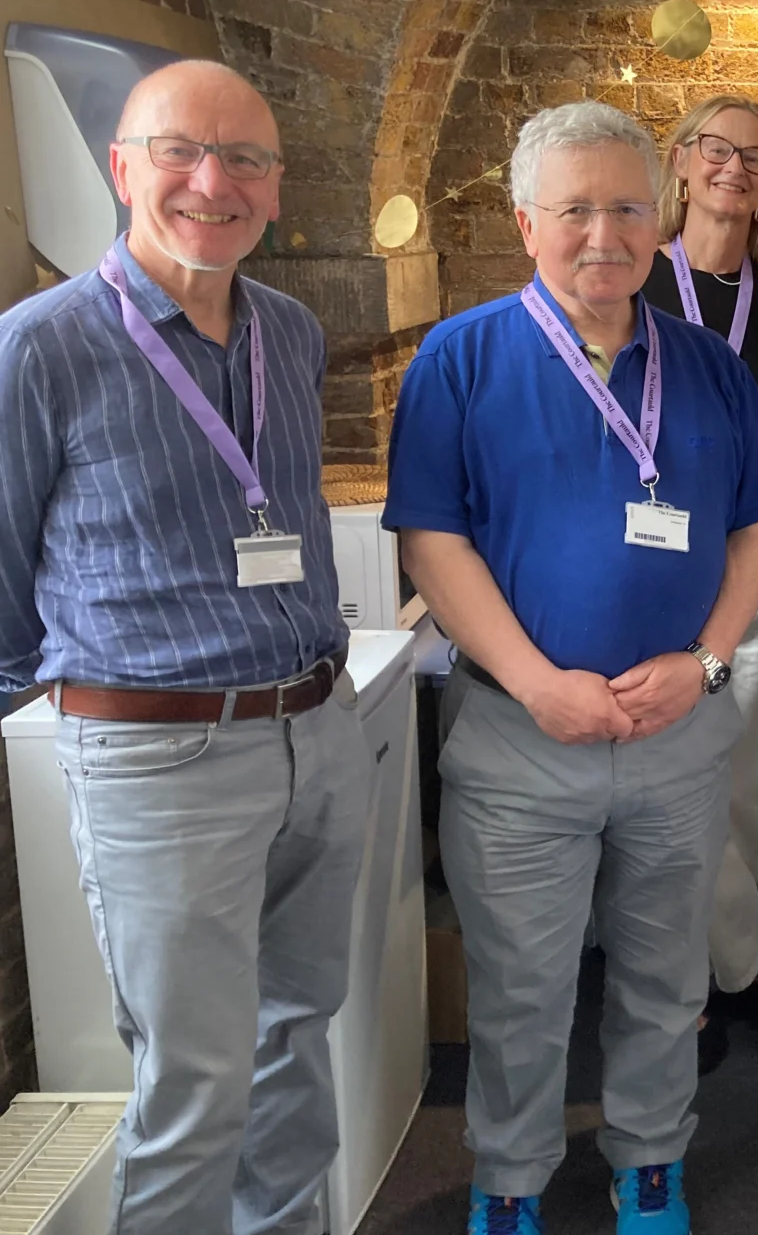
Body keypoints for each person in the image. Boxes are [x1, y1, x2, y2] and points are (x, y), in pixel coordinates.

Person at [383, 101, 758, 1235]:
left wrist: (707, 663)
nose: (603, 235)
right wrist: (534, 683)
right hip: (521, 736)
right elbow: (432, 540)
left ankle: (649, 1161)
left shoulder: (706, 367)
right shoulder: (460, 359)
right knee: (521, 987)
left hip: (676, 733)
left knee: (666, 978)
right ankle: (508, 1179)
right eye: (575, 210)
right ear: (528, 222)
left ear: (658, 219)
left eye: (626, 208)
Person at [0, 61, 368, 1234]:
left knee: (297, 1042)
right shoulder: (38, 349)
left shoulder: (291, 331)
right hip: (160, 762)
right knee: (193, 1084)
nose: (213, 182)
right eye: (178, 152)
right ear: (121, 168)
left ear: (273, 188)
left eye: (246, 160)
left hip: (316, 728)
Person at [646, 94, 758, 1065]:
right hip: (666, 560)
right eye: (717, 151)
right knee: (677, 772)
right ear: (680, 164)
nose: (735, 170)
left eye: (757, 159)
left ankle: (721, 953)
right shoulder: (637, 283)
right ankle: (718, 966)